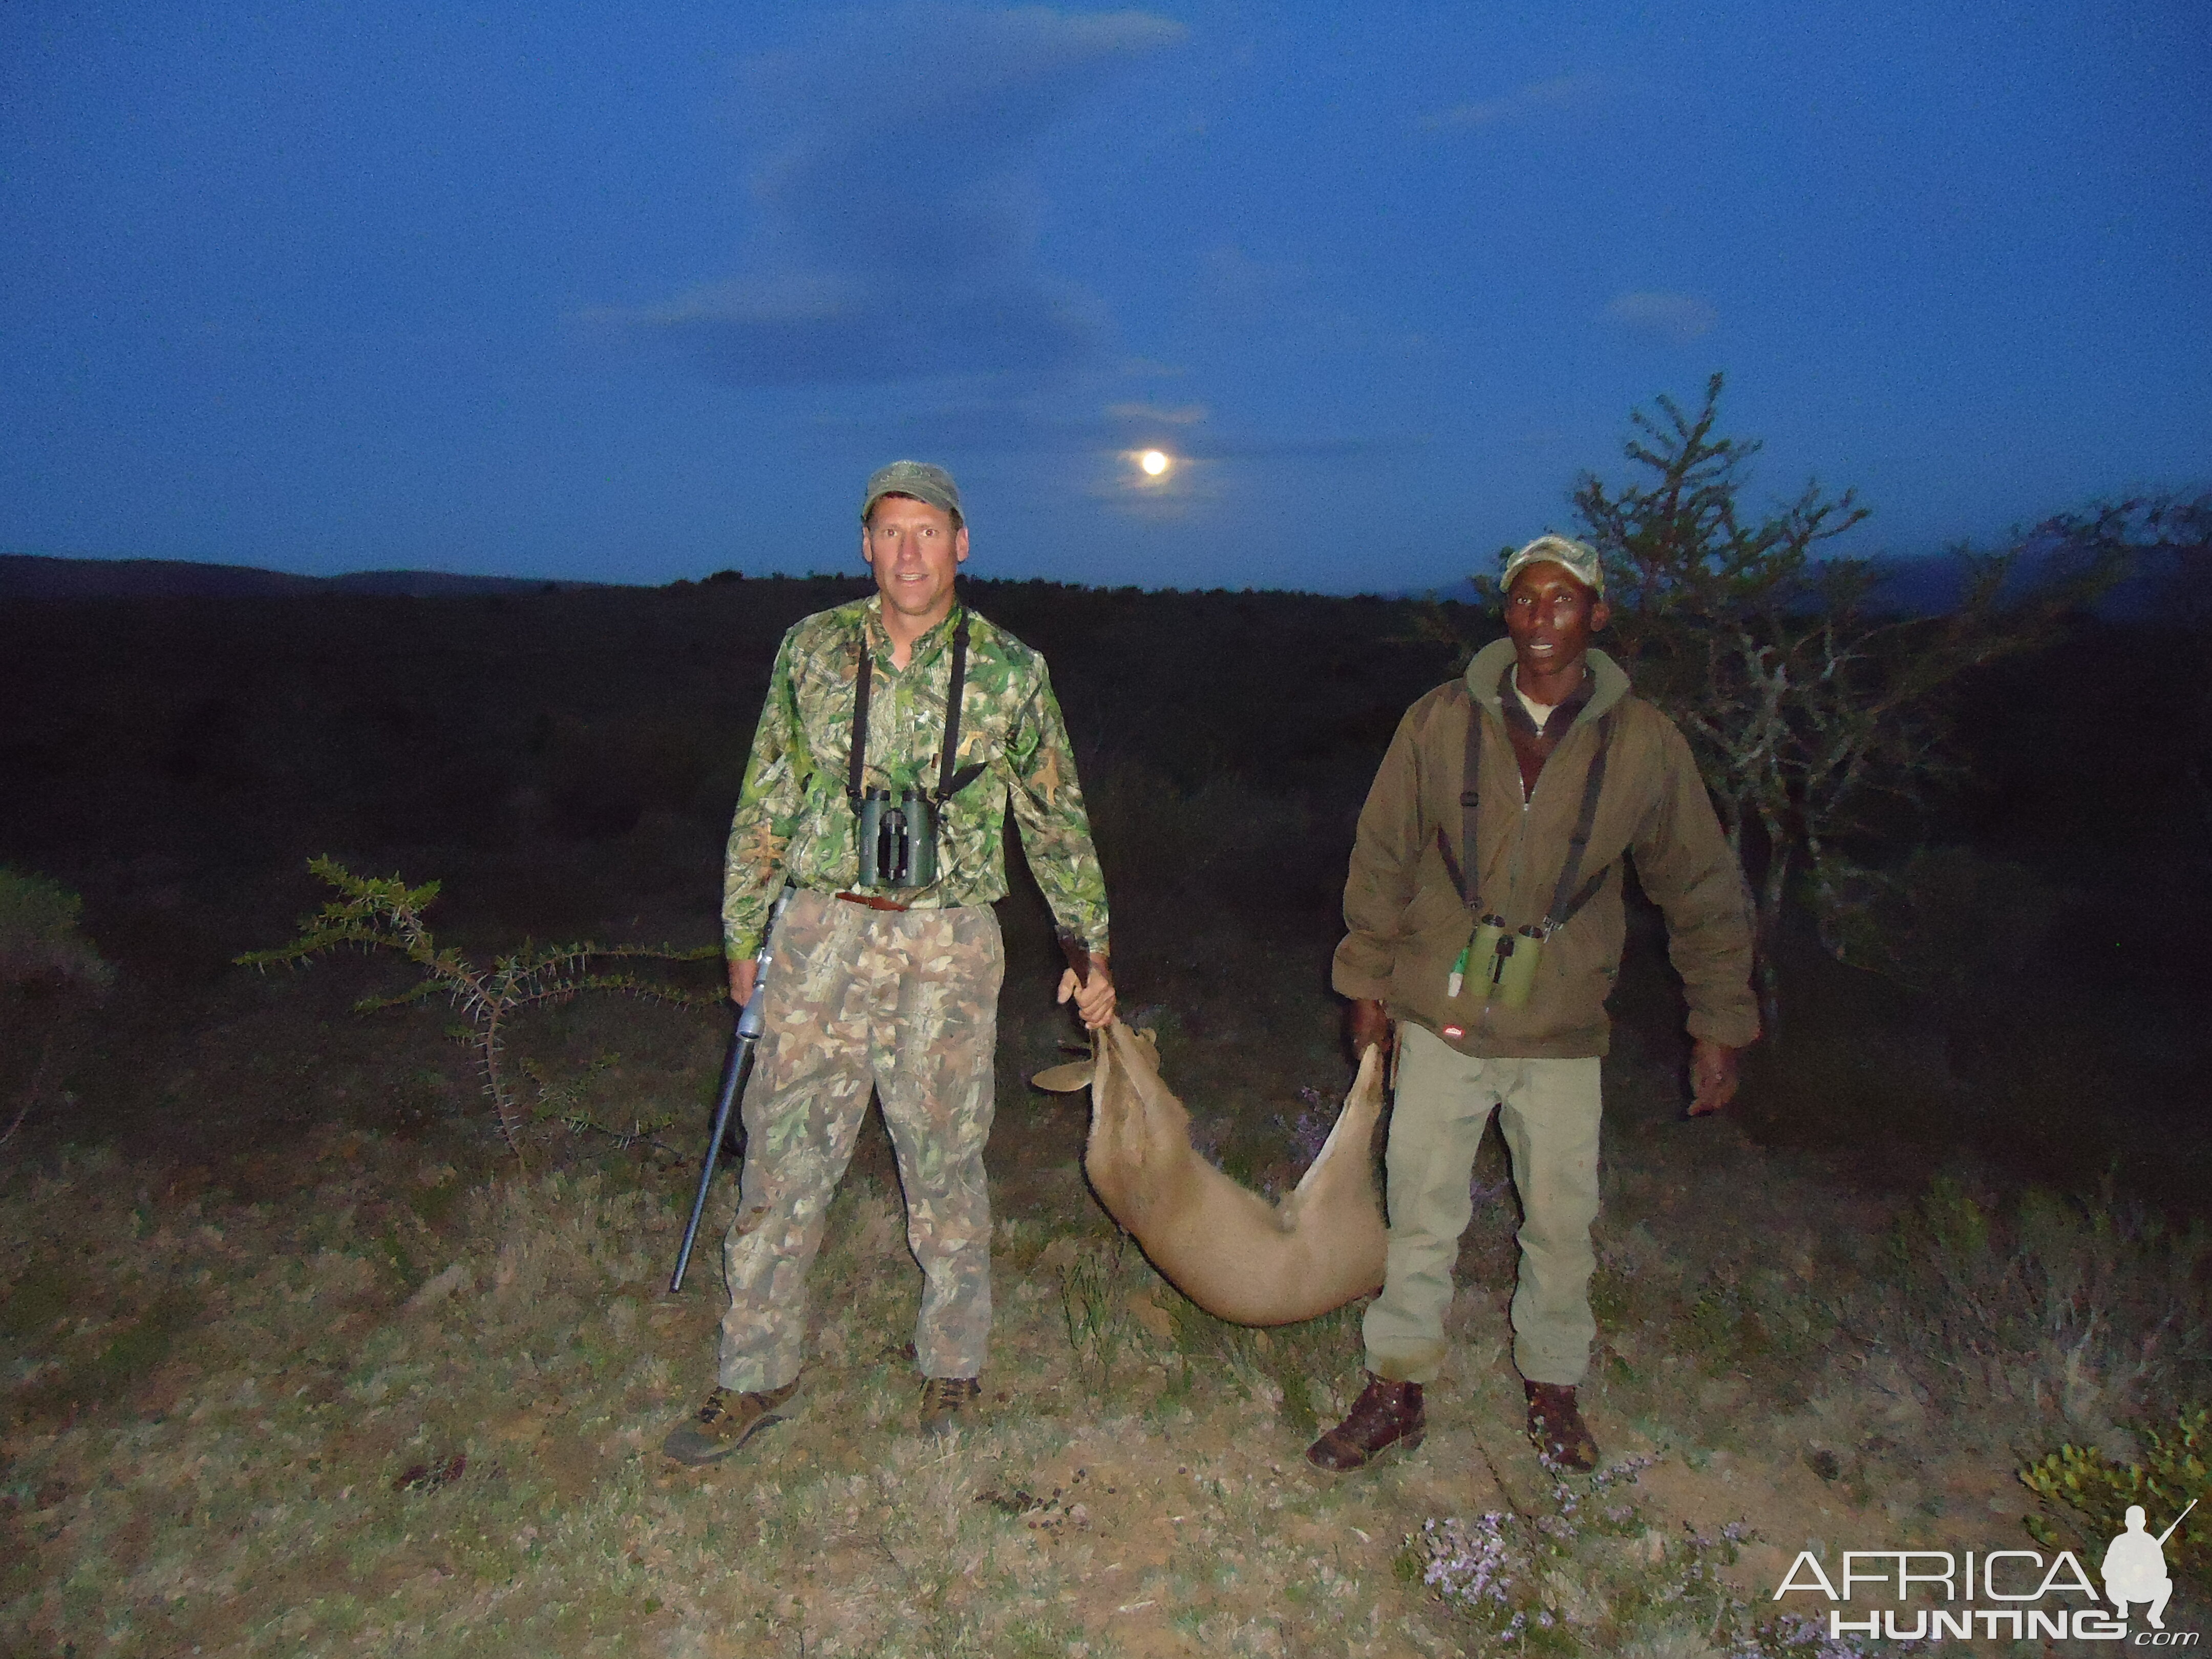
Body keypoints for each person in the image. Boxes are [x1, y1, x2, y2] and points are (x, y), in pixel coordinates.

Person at [663, 460, 1116, 1466]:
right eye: (891, 532)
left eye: (930, 532)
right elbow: (764, 798)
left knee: (946, 1160)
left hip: (949, 944)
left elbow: (1058, 822)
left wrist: (1090, 948)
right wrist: (743, 937)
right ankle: (754, 1373)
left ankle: (953, 1365)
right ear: (866, 544)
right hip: (822, 929)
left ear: (963, 544)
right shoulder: (811, 651)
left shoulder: (1012, 670)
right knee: (781, 1161)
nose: (910, 551)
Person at [1307, 534, 1758, 1475]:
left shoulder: (1644, 742)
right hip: (1441, 1003)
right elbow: (1382, 853)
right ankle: (1397, 1385)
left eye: (1562, 600)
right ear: (1505, 612)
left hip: (1561, 1022)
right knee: (1421, 1207)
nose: (1540, 618)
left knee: (1560, 1219)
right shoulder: (1439, 720)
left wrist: (1720, 1022)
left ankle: (1553, 1388)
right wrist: (1367, 986)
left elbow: (1700, 884)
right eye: (1523, 599)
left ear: (1596, 614)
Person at [2102, 1505, 2175, 1629]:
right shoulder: (2119, 1541)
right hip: (2123, 1588)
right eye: (2132, 1520)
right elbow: (2106, 1570)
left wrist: (2146, 1571)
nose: (2135, 1524)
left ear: (2144, 1522)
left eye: (2138, 1520)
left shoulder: (2151, 1542)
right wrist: (2122, 1573)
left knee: (2167, 1584)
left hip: (2145, 1589)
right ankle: (2122, 1606)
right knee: (2110, 1583)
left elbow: (2163, 1571)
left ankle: (2155, 1615)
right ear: (2126, 1523)